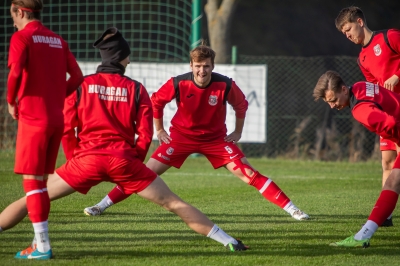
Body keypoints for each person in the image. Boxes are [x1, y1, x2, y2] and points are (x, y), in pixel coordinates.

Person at [0, 27, 248, 260]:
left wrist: (75, 156)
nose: (129, 61)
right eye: (127, 58)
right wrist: (136, 161)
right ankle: (228, 240)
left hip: (86, 161)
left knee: (34, 194)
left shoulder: (81, 85)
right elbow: (145, 133)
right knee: (174, 203)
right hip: (125, 163)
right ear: (123, 59)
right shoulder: (136, 89)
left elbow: (67, 128)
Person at [83, 43, 310, 222]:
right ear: (191, 66)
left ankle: (293, 210)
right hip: (181, 139)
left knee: (248, 173)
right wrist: (160, 130)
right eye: (198, 66)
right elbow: (155, 103)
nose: (202, 70)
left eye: (207, 66)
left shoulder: (225, 85)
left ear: (213, 66)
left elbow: (241, 105)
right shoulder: (178, 83)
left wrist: (237, 132)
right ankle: (100, 205)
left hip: (216, 141)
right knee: (141, 173)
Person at [6, 0, 83, 260]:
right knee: (40, 185)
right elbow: (77, 77)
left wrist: (10, 101)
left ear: (20, 12)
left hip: (33, 119)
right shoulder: (58, 40)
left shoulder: (21, 38)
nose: (12, 22)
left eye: (13, 16)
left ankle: (42, 247)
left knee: (32, 184)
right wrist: (56, 96)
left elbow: (16, 71)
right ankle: (38, 242)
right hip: (55, 120)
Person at [313, 70, 400, 247]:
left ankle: (362, 236)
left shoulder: (360, 110)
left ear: (344, 90)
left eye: (333, 100)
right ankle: (364, 235)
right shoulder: (360, 86)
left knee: (393, 183)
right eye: (328, 102)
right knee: (393, 181)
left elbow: (390, 123)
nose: (332, 106)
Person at [335, 6, 400, 227]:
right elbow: (374, 90)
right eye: (344, 33)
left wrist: (397, 76)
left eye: (349, 29)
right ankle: (386, 216)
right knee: (387, 162)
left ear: (360, 22)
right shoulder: (362, 58)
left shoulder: (390, 37)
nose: (348, 35)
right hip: (387, 113)